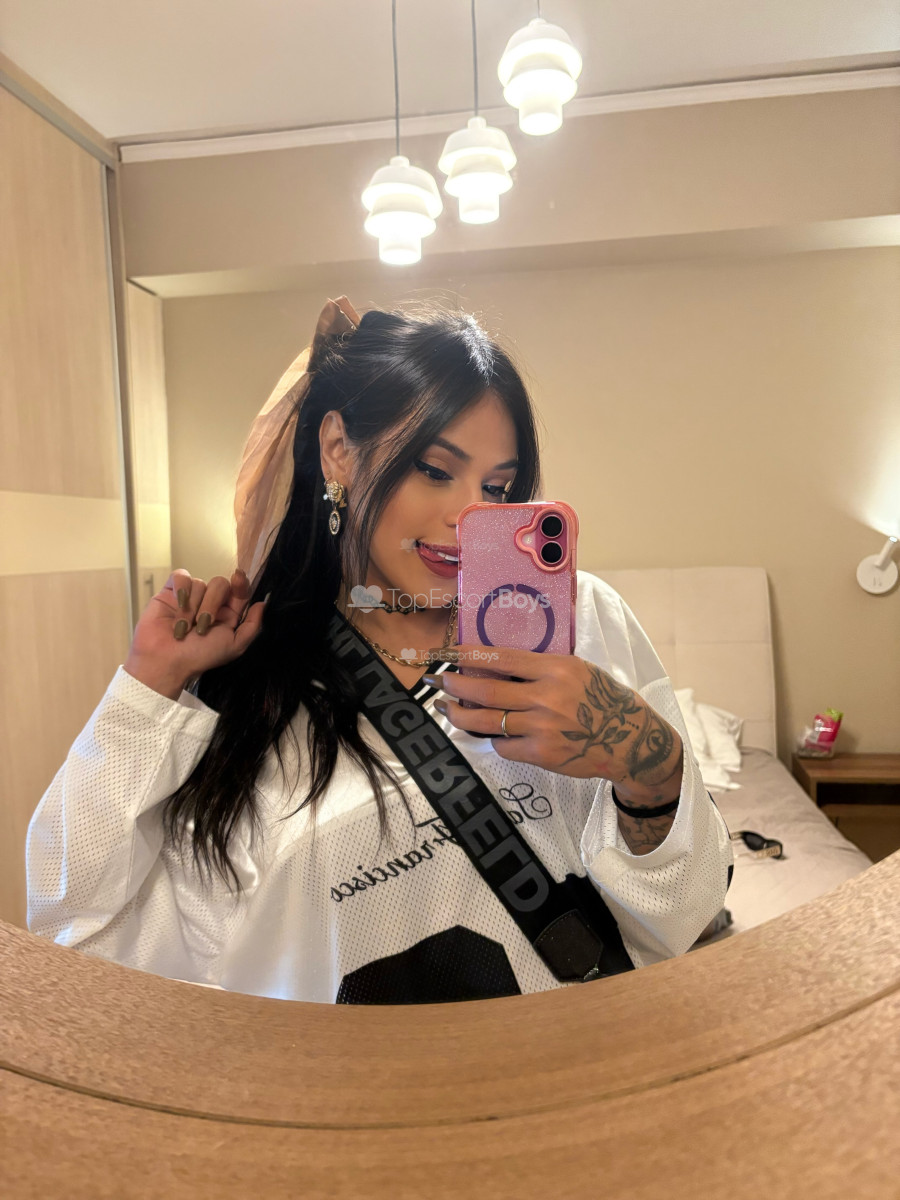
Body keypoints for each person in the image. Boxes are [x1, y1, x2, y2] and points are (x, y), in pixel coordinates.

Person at [26, 298, 732, 1003]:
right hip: (333, 1076)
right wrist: (147, 686)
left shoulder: (580, 621)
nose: (469, 515)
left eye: (496, 487)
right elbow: (81, 936)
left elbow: (685, 912)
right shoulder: (249, 692)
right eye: (434, 469)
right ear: (338, 448)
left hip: (582, 1059)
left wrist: (651, 768)